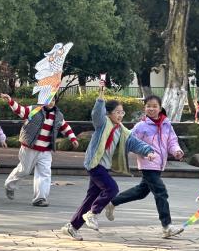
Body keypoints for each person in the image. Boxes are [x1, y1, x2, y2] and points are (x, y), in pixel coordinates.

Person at [61, 79, 155, 240]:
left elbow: (133, 142)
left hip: (103, 167)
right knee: (112, 189)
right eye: (117, 112)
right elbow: (96, 114)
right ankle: (93, 213)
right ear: (109, 113)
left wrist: (148, 151)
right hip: (94, 164)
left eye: (122, 112)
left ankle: (72, 226)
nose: (120, 115)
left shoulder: (122, 130)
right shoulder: (103, 123)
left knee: (91, 197)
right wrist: (100, 96)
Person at [105, 95, 184, 239]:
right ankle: (167, 226)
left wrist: (177, 151)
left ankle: (112, 202)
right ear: (145, 108)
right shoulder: (141, 126)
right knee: (161, 192)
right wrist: (142, 152)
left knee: (141, 192)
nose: (151, 108)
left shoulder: (167, 124)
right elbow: (129, 141)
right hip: (148, 163)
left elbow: (172, 141)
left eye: (154, 106)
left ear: (160, 108)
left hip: (159, 164)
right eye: (148, 106)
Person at [0, 93, 79, 207]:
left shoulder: (58, 115)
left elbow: (65, 127)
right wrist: (10, 101)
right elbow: (20, 110)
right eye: (49, 99)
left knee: (45, 173)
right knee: (24, 170)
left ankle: (40, 198)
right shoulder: (34, 109)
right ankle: (9, 185)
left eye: (53, 100)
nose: (51, 102)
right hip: (29, 148)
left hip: (46, 150)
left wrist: (73, 138)